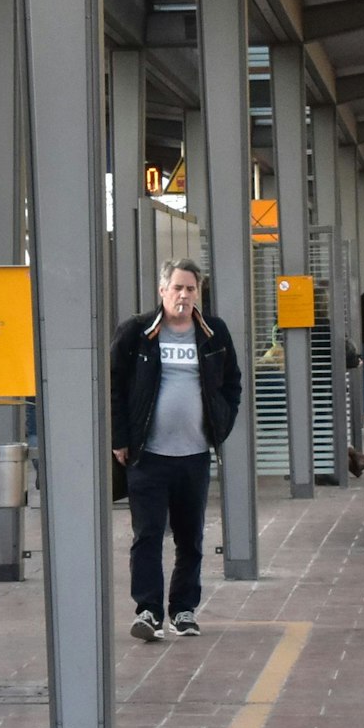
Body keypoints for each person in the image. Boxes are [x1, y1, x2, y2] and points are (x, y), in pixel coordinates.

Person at [109, 258, 243, 642]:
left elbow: (232, 384)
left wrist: (221, 423)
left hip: (195, 455)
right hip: (147, 456)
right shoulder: (137, 333)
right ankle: (148, 611)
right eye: (178, 288)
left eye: (190, 289)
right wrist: (121, 438)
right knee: (148, 535)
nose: (184, 296)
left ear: (198, 293)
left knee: (191, 537)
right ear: (162, 291)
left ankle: (183, 610)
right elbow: (114, 386)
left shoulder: (213, 333)